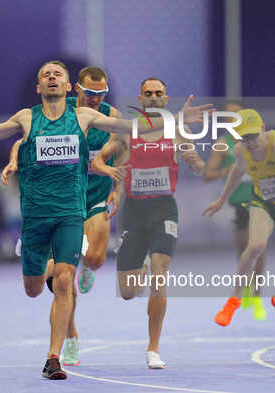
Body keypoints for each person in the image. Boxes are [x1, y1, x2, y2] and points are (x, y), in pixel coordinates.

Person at [0, 60, 211, 380]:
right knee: (34, 289)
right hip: (35, 216)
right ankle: (38, 267)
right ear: (39, 87)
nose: (51, 78)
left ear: (67, 87)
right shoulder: (26, 117)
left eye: (57, 75)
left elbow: (132, 129)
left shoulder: (84, 116)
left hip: (71, 213)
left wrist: (174, 121)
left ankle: (53, 358)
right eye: (45, 75)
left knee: (64, 280)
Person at [1, 66, 121, 367]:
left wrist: (115, 184)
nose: (95, 99)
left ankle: (84, 265)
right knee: (63, 281)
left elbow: (125, 143)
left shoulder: (109, 115)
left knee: (93, 258)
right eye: (89, 93)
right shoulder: (56, 107)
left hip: (94, 194)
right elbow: (22, 139)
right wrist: (15, 160)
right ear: (75, 89)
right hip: (61, 201)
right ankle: (70, 338)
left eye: (101, 93)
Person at [92, 77, 205, 369]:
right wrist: (110, 173)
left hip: (164, 209)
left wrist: (194, 161)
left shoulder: (178, 130)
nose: (153, 98)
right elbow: (98, 162)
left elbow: (199, 166)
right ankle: (139, 265)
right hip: (134, 213)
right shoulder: (128, 131)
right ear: (141, 99)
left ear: (166, 99)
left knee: (160, 274)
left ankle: (153, 348)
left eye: (158, 93)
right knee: (129, 292)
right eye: (148, 94)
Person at [203, 108, 275, 337]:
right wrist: (221, 200)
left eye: (253, 136)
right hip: (263, 202)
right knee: (254, 247)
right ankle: (233, 300)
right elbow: (235, 173)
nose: (250, 142)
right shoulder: (241, 151)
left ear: (263, 129)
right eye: (245, 138)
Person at [203, 100, 266, 321]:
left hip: (260, 200)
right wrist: (227, 171)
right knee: (243, 249)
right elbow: (208, 174)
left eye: (237, 116)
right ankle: (246, 290)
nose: (233, 120)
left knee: (259, 248)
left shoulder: (257, 141)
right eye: (228, 117)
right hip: (238, 202)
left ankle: (257, 295)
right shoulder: (224, 144)